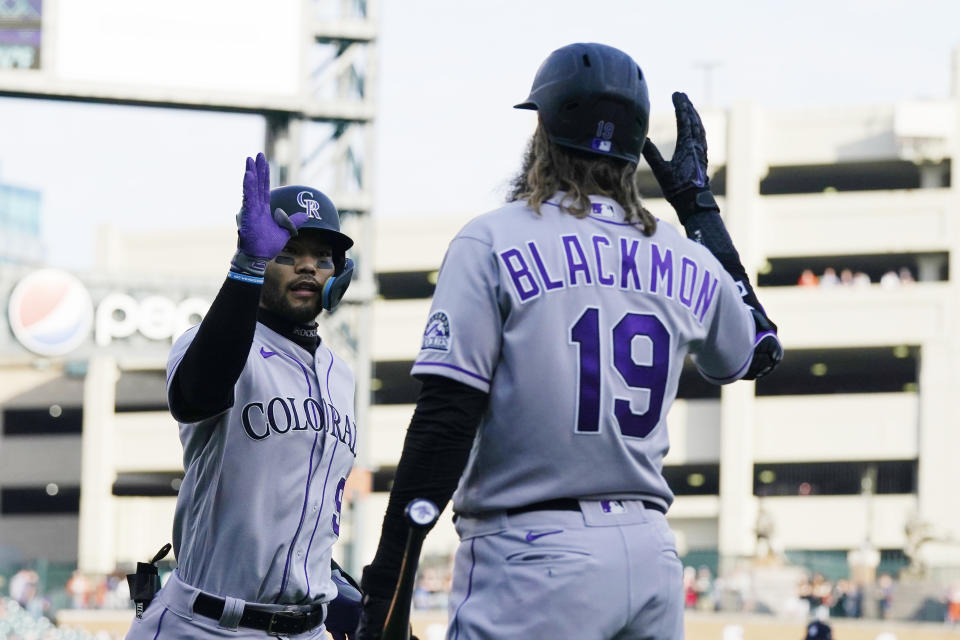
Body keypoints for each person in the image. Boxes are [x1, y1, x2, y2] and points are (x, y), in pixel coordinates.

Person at [356, 43, 781, 640]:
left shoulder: (494, 239)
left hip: (534, 559)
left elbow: (443, 424)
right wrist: (697, 206)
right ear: (636, 146)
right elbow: (760, 348)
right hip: (651, 559)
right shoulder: (686, 256)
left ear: (544, 131)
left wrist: (385, 588)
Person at [125, 153, 362, 640]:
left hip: (308, 630)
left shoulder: (344, 376)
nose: (307, 268)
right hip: (206, 623)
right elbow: (195, 395)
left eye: (322, 258)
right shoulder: (211, 345)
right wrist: (246, 267)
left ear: (341, 273)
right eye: (287, 254)